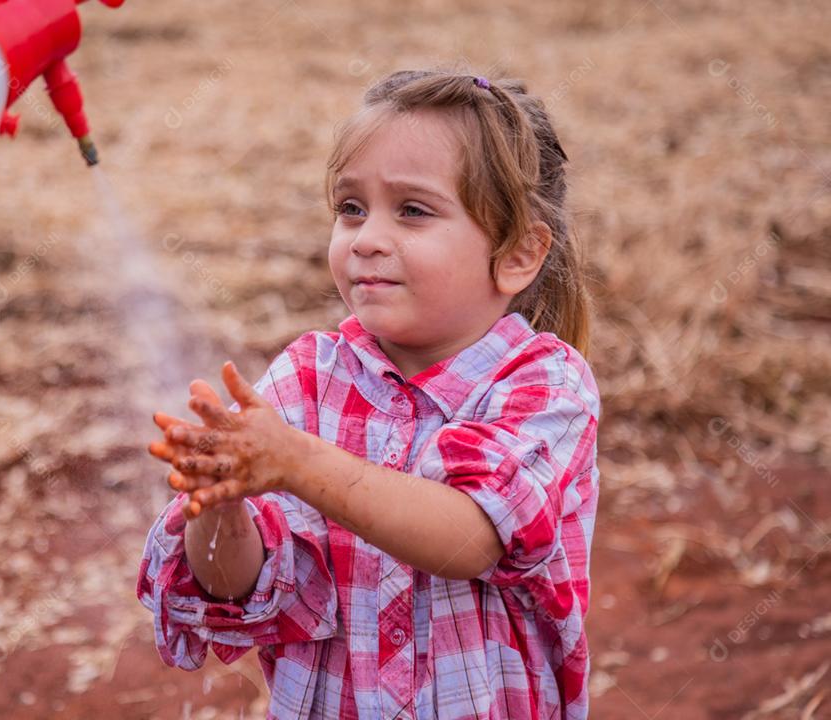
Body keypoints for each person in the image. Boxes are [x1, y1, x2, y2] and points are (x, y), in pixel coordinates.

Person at [138, 67, 601, 719]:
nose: (366, 239)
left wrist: (299, 463)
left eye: (412, 210)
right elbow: (242, 587)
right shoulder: (306, 380)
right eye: (351, 208)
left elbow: (470, 540)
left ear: (518, 254)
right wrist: (219, 504)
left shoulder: (544, 384)